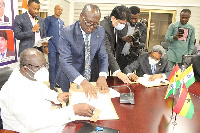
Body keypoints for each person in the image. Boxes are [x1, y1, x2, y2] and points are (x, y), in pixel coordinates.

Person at [0, 48, 95, 133]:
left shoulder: (28, 75)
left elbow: (42, 90)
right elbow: (34, 123)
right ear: (25, 68)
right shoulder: (13, 90)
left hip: (45, 121)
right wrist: (72, 110)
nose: (43, 70)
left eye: (44, 65)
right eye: (38, 67)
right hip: (32, 128)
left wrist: (56, 96)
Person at [56, 4, 109, 98]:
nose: (92, 27)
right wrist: (83, 82)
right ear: (81, 16)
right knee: (72, 105)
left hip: (91, 77)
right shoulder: (67, 33)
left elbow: (103, 56)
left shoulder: (100, 31)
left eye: (95, 24)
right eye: (88, 23)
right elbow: (65, 62)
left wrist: (102, 75)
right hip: (71, 78)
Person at [100, 5, 131, 83]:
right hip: (98, 65)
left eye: (125, 23)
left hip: (108, 63)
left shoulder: (114, 24)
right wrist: (118, 72)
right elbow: (107, 51)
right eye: (121, 23)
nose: (123, 26)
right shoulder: (103, 28)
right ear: (113, 18)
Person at [117, 6, 147, 70]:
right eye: (131, 18)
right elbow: (115, 39)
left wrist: (137, 44)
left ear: (138, 16)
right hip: (119, 57)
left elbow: (143, 44)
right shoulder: (121, 24)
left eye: (135, 18)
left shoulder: (142, 27)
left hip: (133, 57)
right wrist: (123, 39)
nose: (133, 21)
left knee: (129, 76)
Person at [44, 5, 64, 89]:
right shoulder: (49, 19)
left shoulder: (62, 22)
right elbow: (44, 32)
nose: (60, 11)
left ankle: (55, 82)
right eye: (58, 9)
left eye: (61, 10)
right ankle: (52, 85)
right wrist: (45, 46)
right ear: (54, 9)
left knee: (58, 66)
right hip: (51, 46)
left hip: (59, 47)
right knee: (52, 66)